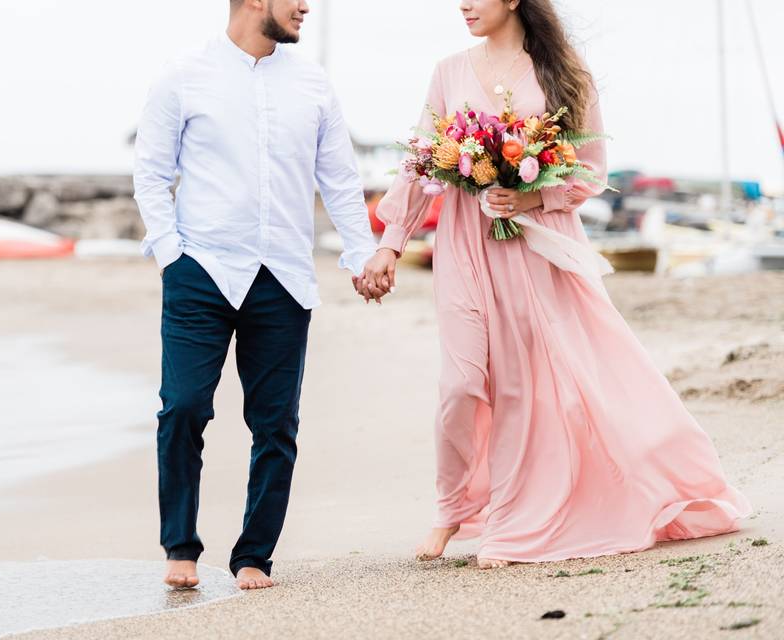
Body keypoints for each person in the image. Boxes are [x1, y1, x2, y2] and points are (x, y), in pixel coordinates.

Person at [357, 0, 751, 569]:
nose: (462, 5)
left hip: (533, 244)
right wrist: (391, 242)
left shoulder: (565, 72)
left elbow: (591, 168)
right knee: (461, 383)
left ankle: (512, 524)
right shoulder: (448, 71)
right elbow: (419, 163)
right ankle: (452, 508)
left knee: (522, 387)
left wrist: (531, 195)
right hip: (467, 242)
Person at [134, 0, 382, 590]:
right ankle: (180, 545)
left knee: (275, 425)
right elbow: (150, 171)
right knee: (184, 408)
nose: (305, 7)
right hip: (202, 269)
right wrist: (171, 254)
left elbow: (340, 179)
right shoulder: (183, 75)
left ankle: (254, 556)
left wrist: (360, 255)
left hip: (284, 275)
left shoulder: (314, 85)